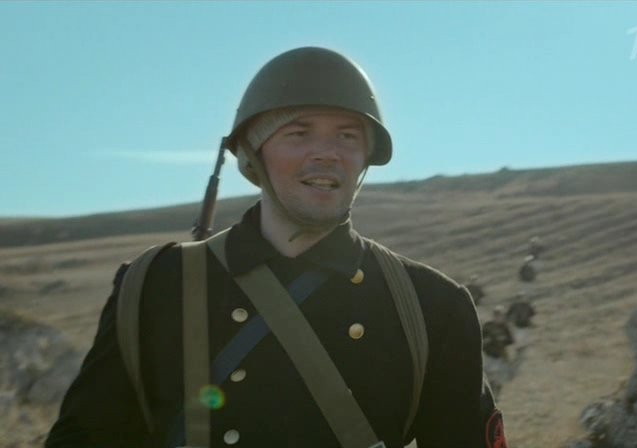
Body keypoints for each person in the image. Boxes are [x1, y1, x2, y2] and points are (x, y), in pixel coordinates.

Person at [46, 47, 504, 448]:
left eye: (347, 135)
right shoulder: (154, 286)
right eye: (298, 133)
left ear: (366, 158)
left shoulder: (432, 307)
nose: (326, 153)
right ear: (254, 153)